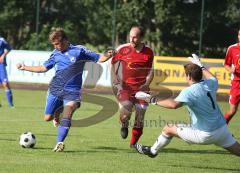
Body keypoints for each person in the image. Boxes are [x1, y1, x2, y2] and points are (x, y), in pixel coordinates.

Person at [17, 27, 115, 152]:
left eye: (58, 43)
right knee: (47, 118)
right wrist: (25, 67)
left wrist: (108, 54)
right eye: (54, 44)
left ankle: (59, 143)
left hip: (72, 90)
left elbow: (99, 58)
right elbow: (43, 68)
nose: (56, 46)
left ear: (65, 40)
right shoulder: (55, 54)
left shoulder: (79, 50)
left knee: (68, 113)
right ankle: (57, 113)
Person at [134, 54, 240, 157]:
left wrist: (149, 98)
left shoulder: (189, 91)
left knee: (168, 128)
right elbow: (212, 77)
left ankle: (152, 151)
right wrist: (201, 65)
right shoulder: (210, 83)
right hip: (222, 130)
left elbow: (174, 105)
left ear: (189, 76)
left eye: (185, 74)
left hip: (205, 134)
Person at [111, 25, 154, 148]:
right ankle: (124, 124)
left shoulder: (149, 52)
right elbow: (113, 64)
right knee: (126, 113)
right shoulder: (123, 49)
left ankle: (133, 144)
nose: (131, 39)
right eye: (130, 37)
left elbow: (151, 70)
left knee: (140, 118)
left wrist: (146, 84)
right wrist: (115, 79)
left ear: (141, 38)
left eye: (134, 37)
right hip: (125, 88)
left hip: (141, 89)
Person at [223, 29, 240, 124]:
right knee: (232, 111)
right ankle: (221, 128)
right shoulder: (232, 49)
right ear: (238, 36)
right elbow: (226, 64)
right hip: (236, 84)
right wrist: (231, 70)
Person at [0, 37, 14, 107]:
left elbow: (9, 47)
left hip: (1, 65)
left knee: (5, 83)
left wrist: (3, 55)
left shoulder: (1, 40)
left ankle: (11, 105)